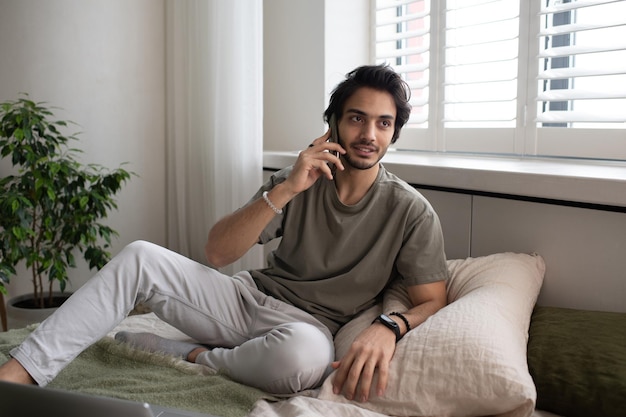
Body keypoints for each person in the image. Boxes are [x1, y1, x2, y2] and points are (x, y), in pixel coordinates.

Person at [0, 64, 448, 403]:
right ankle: (19, 374)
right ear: (332, 123)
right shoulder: (299, 178)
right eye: (356, 118)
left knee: (305, 361)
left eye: (383, 123)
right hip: (245, 300)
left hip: (307, 328)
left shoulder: (410, 210)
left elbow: (433, 298)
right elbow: (216, 252)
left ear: (394, 133)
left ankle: (191, 355)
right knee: (139, 255)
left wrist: (389, 327)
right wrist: (290, 186)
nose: (369, 134)